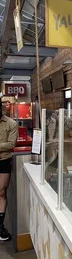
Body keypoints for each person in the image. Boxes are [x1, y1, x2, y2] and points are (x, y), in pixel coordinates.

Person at [0, 103, 18, 240]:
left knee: (1, 192)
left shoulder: (11, 123)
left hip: (3, 162)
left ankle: (0, 227)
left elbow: (11, 144)